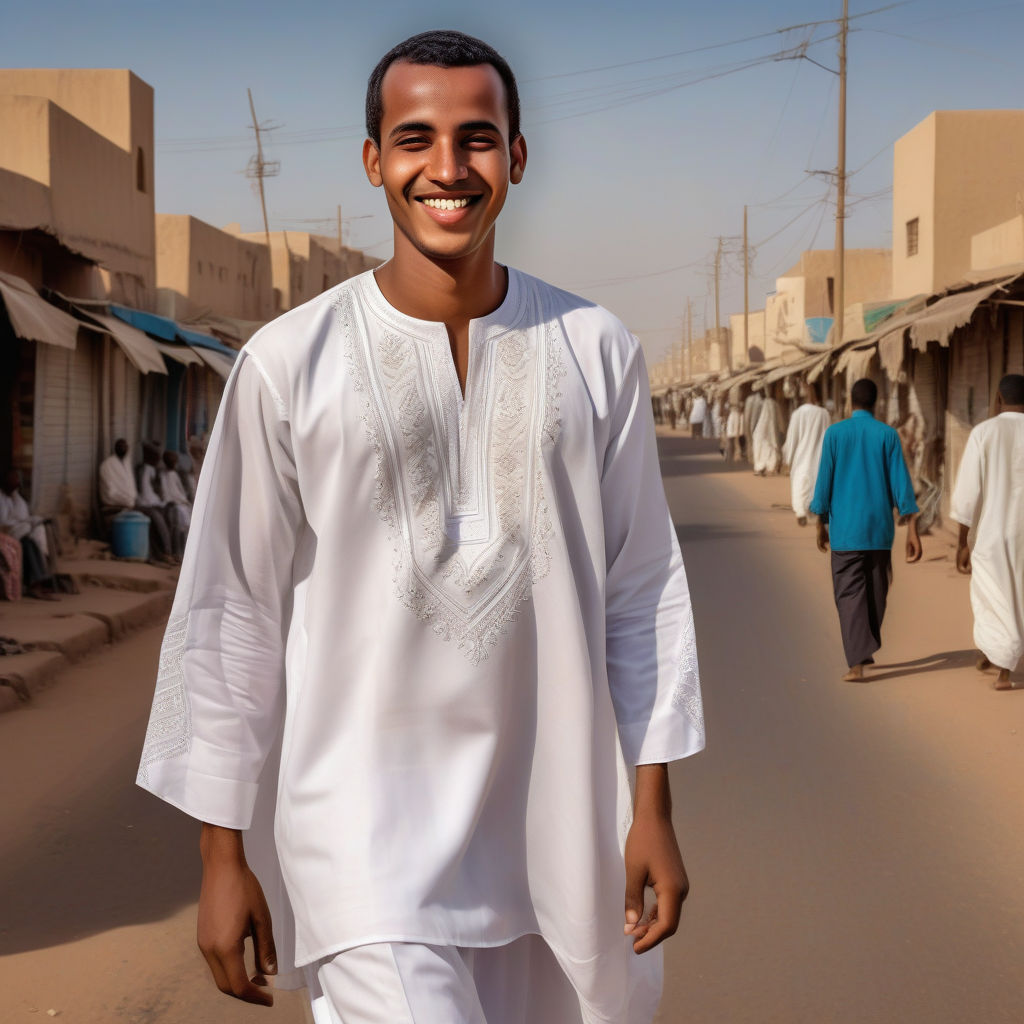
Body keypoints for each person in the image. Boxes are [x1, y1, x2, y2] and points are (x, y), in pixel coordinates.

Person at [137, 30, 705, 1024]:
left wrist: (650, 806)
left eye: (476, 138)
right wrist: (220, 852)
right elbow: (230, 609)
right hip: (362, 850)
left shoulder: (596, 350)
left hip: (556, 839)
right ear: (374, 162)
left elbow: (640, 588)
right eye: (415, 139)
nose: (447, 169)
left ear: (517, 158)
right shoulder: (287, 364)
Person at [810, 378, 922, 682]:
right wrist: (912, 528)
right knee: (876, 592)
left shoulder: (835, 434)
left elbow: (824, 482)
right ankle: (863, 648)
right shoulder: (887, 435)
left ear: (850, 401)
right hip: (879, 531)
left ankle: (858, 659)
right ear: (876, 403)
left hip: (845, 532)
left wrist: (820, 521)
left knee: (850, 595)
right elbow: (902, 484)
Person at [950, 373, 1024, 691]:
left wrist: (962, 541)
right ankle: (989, 653)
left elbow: (968, 493)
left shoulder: (984, 432)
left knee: (993, 597)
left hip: (993, 535)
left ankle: (1004, 671)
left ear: (997, 398)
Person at [0, 469, 58, 600]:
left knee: (31, 542)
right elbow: (3, 521)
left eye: (16, 479)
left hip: (16, 533)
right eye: (13, 478)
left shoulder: (18, 499)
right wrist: (19, 524)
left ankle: (38, 580)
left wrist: (35, 521)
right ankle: (35, 583)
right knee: (26, 544)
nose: (16, 481)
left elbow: (24, 517)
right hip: (5, 534)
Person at [781, 382, 831, 525]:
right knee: (817, 484)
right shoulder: (824, 413)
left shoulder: (797, 414)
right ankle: (816, 510)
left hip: (801, 458)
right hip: (819, 457)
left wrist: (788, 458)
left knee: (799, 483)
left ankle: (801, 512)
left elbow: (792, 438)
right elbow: (828, 436)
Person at [135, 442, 175, 564]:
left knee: (171, 516)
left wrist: (163, 502)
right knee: (158, 519)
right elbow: (146, 495)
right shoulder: (143, 471)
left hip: (154, 503)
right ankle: (165, 552)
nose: (159, 458)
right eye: (156, 455)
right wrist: (159, 503)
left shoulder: (154, 470)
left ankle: (169, 552)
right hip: (143, 505)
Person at [159, 450, 192, 554]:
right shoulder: (168, 475)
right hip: (176, 504)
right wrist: (184, 501)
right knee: (185, 524)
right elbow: (174, 493)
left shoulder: (167, 474)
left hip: (177, 503)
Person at [751, 384, 784, 476]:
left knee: (771, 448)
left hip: (770, 430)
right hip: (762, 430)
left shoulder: (772, 404)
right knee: (761, 446)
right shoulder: (762, 403)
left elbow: (777, 418)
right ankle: (761, 466)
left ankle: (769, 466)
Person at [743, 385, 763, 465]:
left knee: (751, 439)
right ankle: (754, 458)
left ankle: (752, 457)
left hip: (751, 422)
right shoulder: (760, 400)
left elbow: (747, 415)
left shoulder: (750, 399)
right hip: (757, 423)